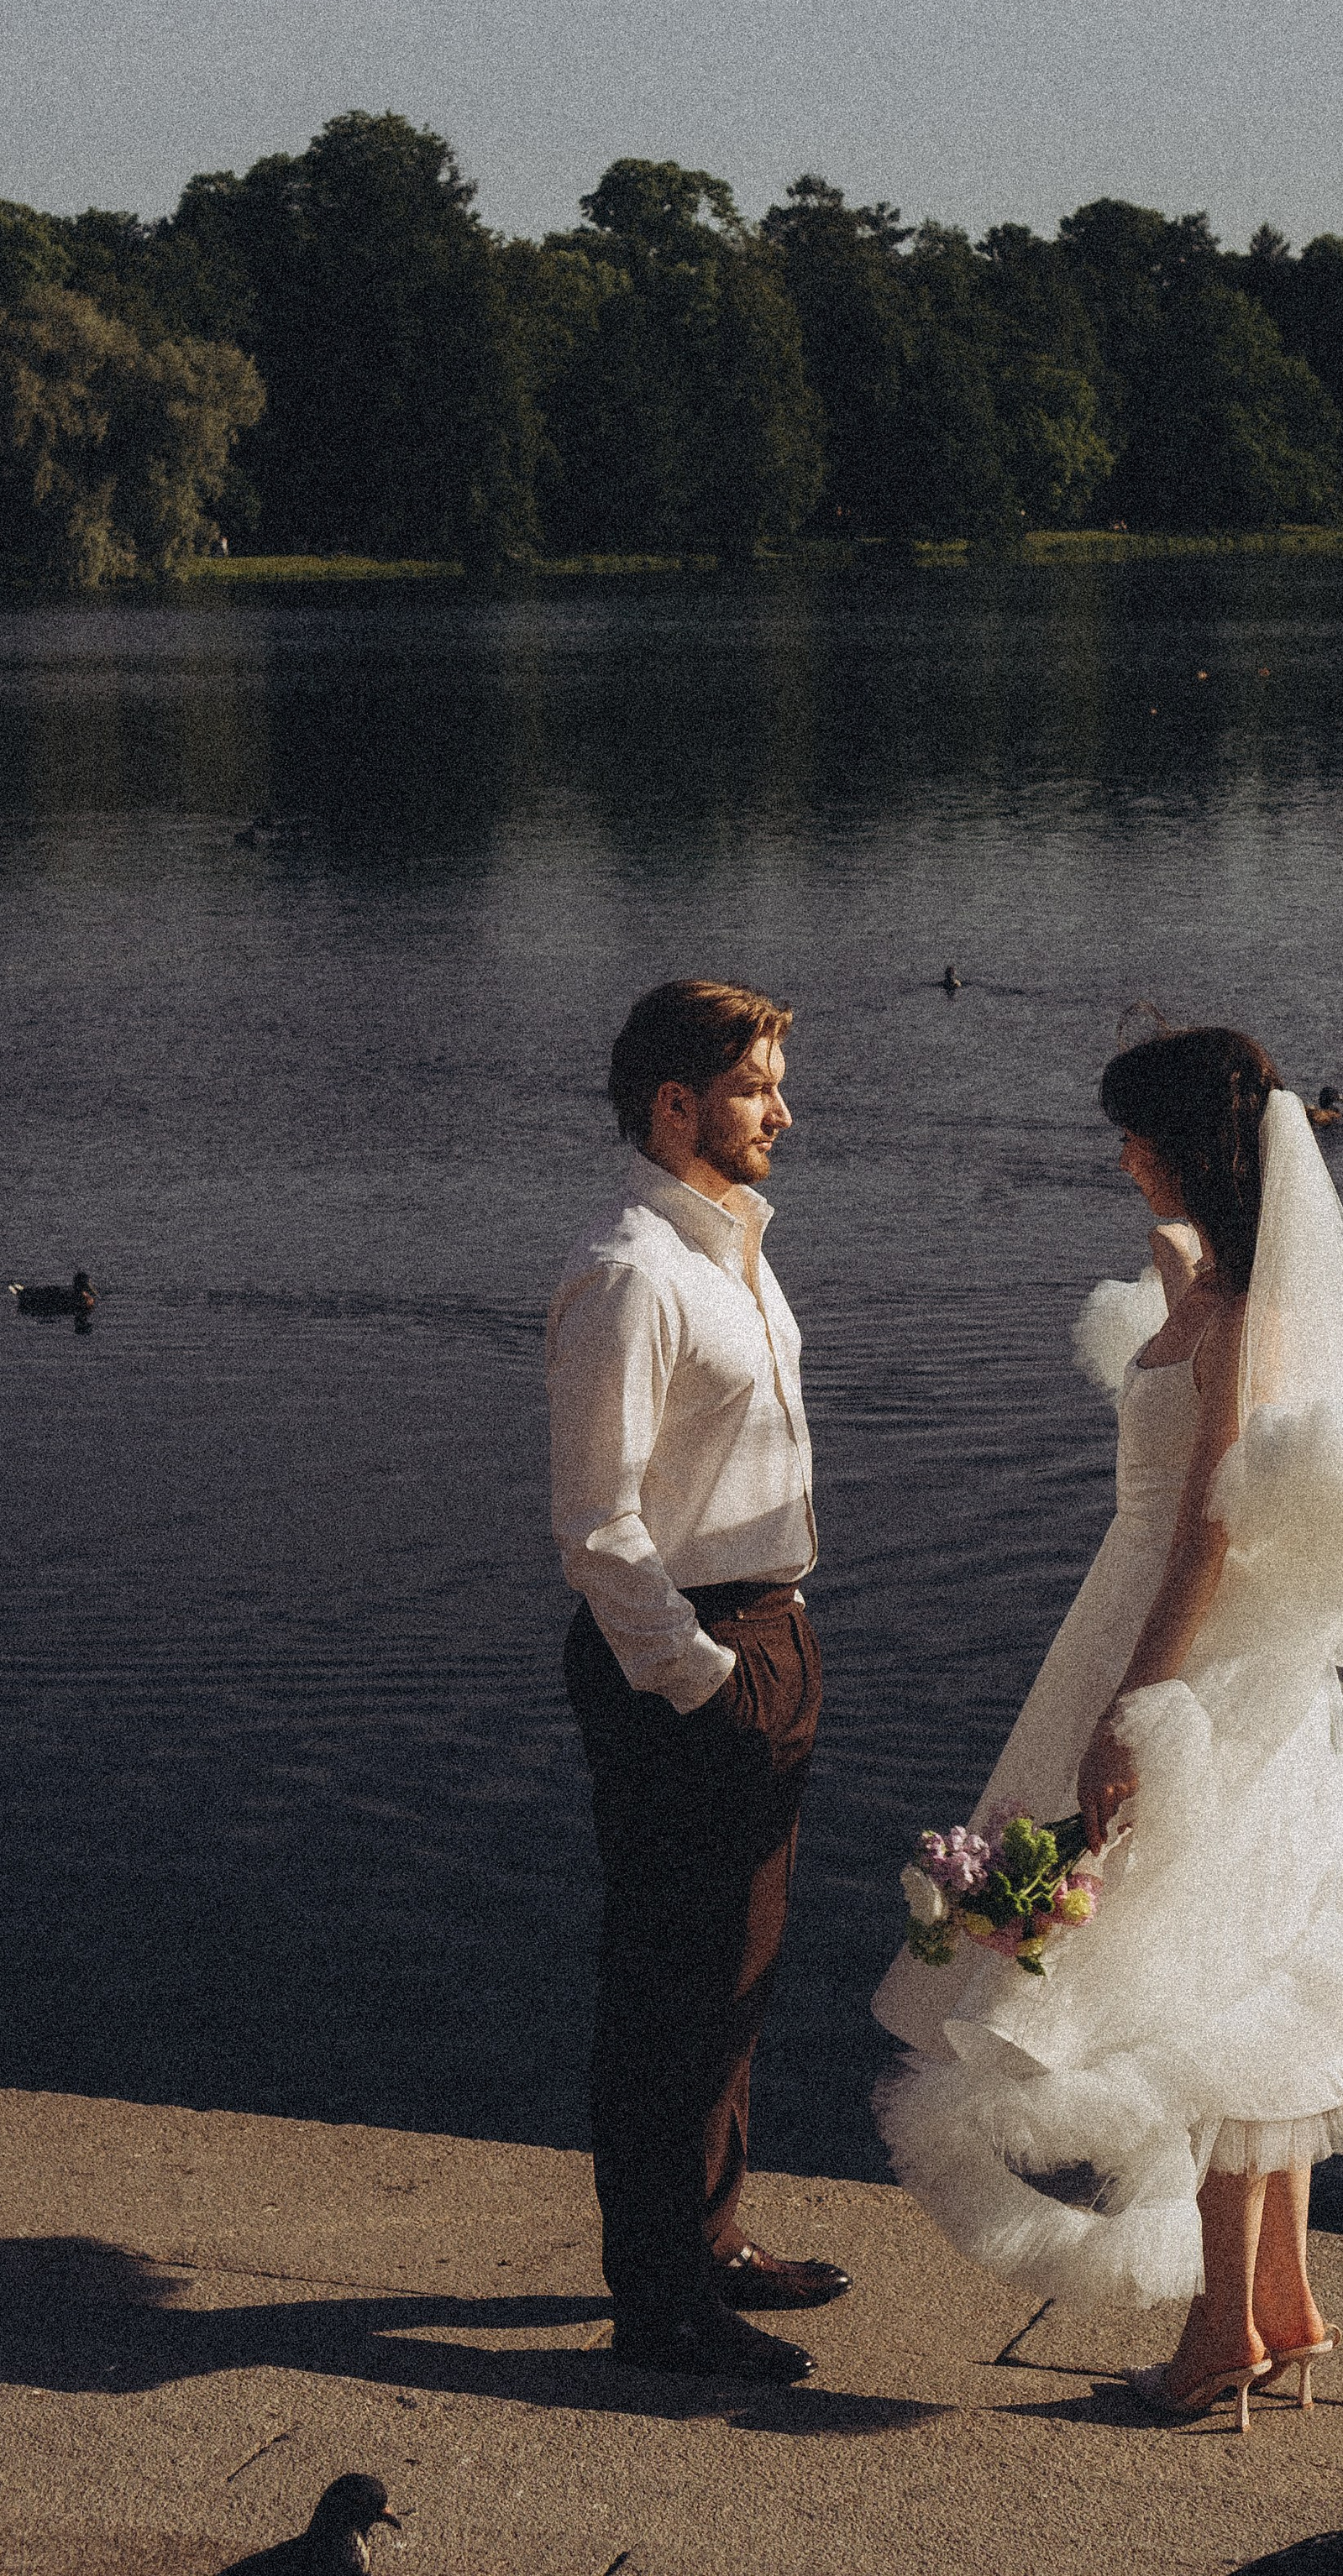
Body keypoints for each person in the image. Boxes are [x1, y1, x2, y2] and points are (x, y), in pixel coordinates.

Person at [873, 1025, 1343, 2425]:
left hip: (1193, 1668)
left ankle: (1219, 2334)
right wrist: (1175, 1275)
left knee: (1207, 1989)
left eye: (1136, 1136)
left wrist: (1139, 1708)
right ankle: (1282, 2306)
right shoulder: (1215, 1291)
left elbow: (1207, 1535)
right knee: (1251, 1976)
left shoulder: (1246, 1322)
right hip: (1167, 1648)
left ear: (1185, 1148)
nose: (1119, 1156)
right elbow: (1180, 1364)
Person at [548, 979, 845, 2385]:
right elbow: (597, 1529)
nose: (783, 1110)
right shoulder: (630, 1273)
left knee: (740, 1970)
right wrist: (708, 1682)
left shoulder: (732, 1248)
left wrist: (767, 1656)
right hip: (685, 1657)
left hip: (765, 1630)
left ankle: (710, 2240)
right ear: (677, 1106)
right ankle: (657, 2302)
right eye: (755, 1087)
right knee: (668, 1987)